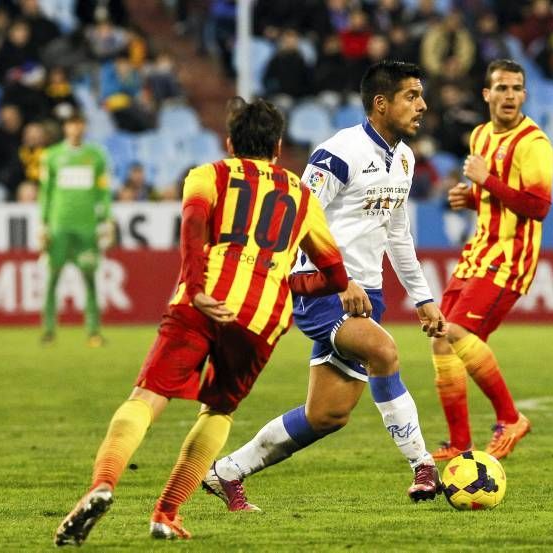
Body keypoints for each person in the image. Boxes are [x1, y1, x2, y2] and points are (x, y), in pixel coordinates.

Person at [53, 98, 348, 546]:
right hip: (260, 319)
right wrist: (285, 287)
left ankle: (103, 483)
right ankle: (166, 513)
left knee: (147, 396)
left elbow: (191, 229)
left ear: (229, 142)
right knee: (220, 410)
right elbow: (333, 274)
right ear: (279, 146)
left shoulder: (207, 175)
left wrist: (195, 288)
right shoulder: (302, 197)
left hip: (200, 301)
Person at [203, 60, 446, 512]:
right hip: (322, 289)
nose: (422, 105)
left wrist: (423, 297)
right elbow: (297, 220)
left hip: (366, 294)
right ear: (381, 103)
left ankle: (227, 471)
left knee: (327, 414)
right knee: (385, 353)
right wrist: (340, 279)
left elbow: (398, 234)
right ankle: (423, 466)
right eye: (411, 96)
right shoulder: (339, 153)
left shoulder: (406, 159)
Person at [429, 59, 553, 461]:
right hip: (479, 249)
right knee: (439, 336)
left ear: (524, 95)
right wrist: (471, 197)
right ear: (487, 95)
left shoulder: (534, 144)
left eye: (517, 88)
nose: (510, 96)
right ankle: (460, 442)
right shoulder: (480, 136)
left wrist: (486, 182)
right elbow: (496, 198)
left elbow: (537, 207)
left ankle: (510, 418)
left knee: (459, 331)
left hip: (511, 257)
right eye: (502, 88)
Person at [38, 111, 112, 346]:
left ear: (84, 126)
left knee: (89, 277)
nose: (75, 128)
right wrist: (43, 223)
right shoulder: (51, 156)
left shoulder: (96, 156)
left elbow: (103, 191)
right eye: (71, 124)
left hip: (86, 226)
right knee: (52, 277)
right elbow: (45, 193)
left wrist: (107, 220)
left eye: (79, 124)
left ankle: (93, 331)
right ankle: (48, 330)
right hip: (59, 225)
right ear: (65, 127)